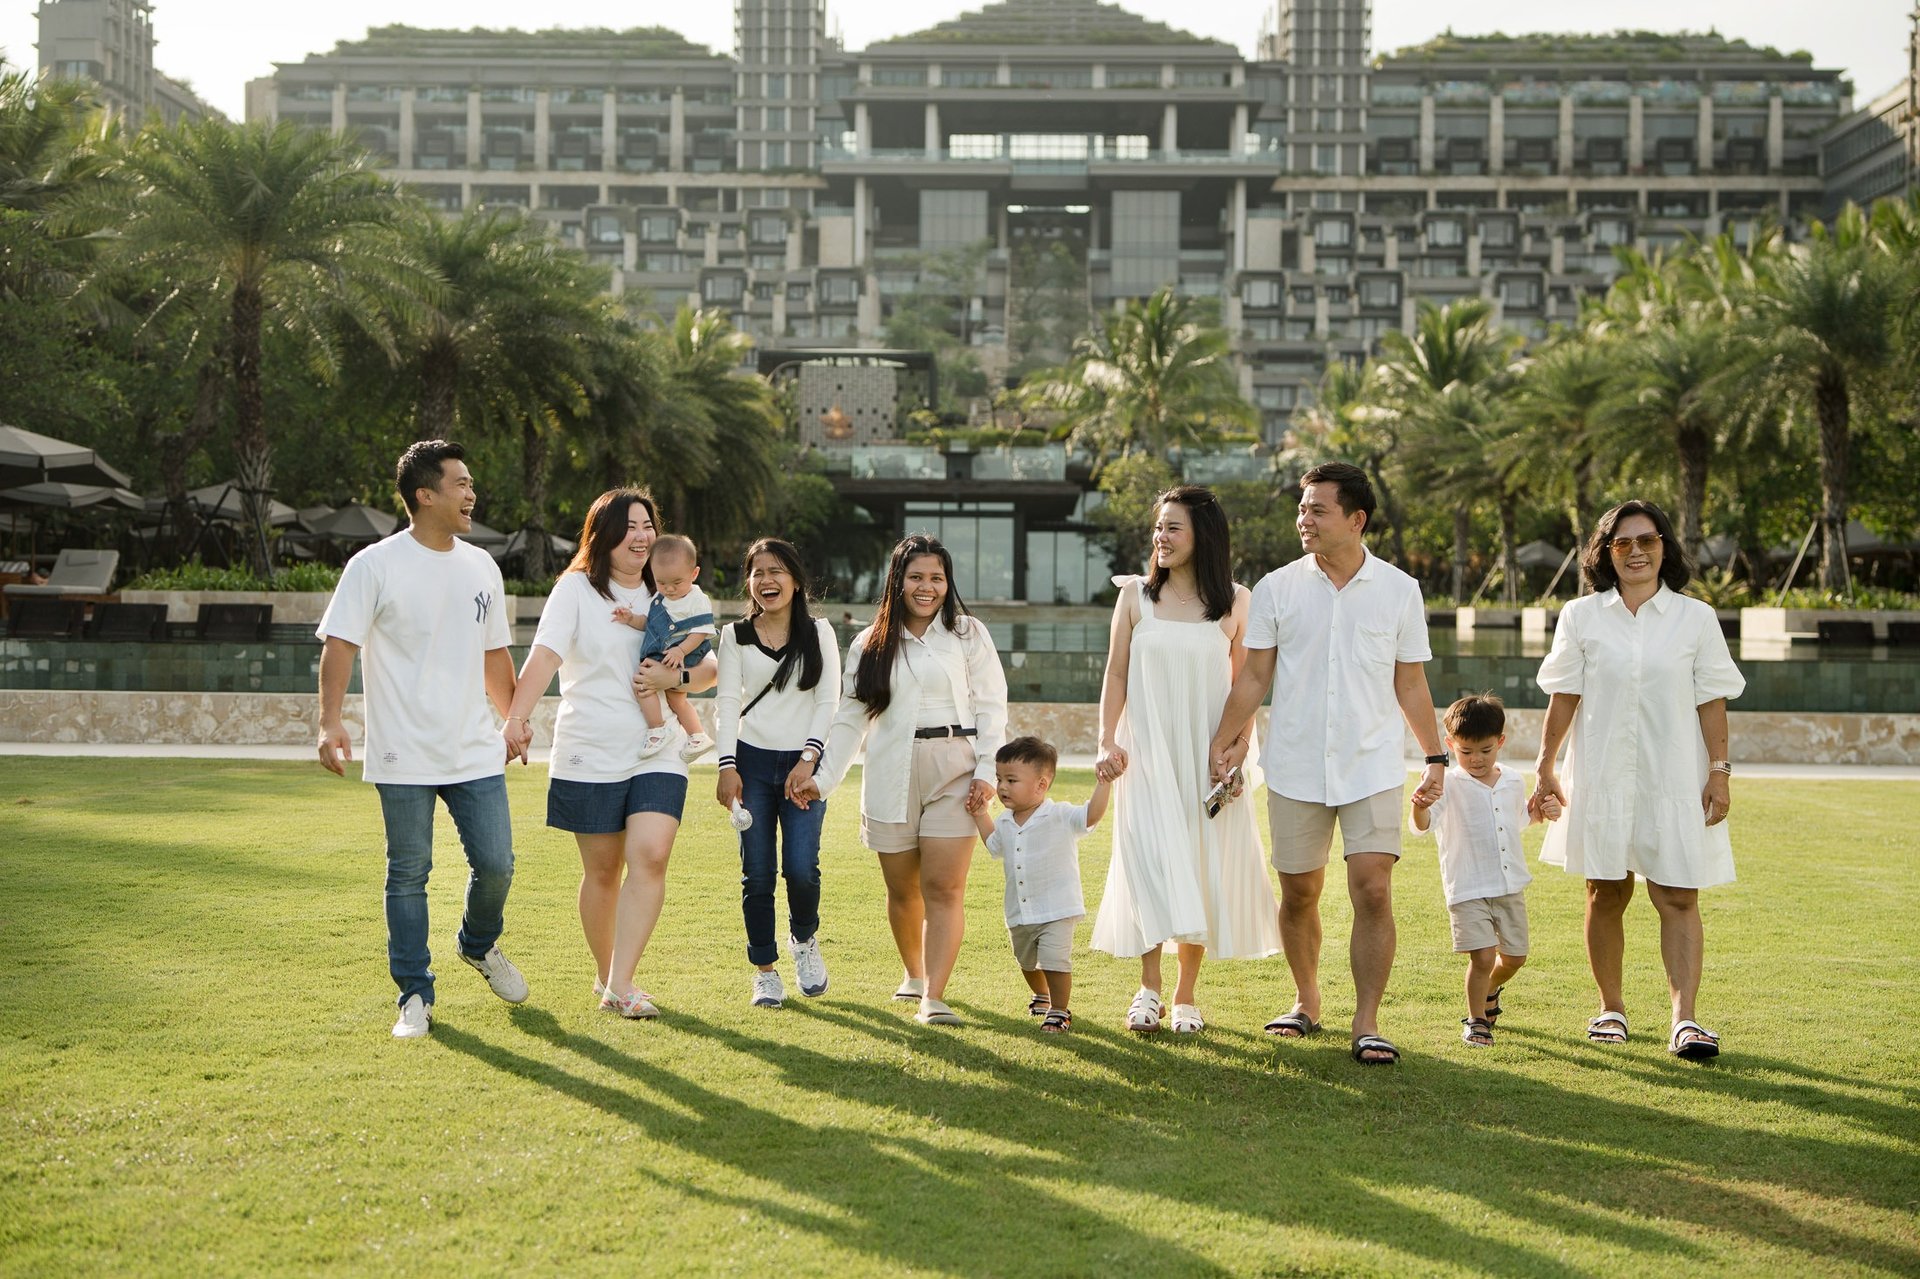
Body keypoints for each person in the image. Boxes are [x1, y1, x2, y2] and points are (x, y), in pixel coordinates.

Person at [1209, 461, 1448, 1066]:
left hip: (1370, 766)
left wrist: (1436, 756)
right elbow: (1255, 675)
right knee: (1299, 893)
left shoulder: (1400, 590)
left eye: (1317, 509)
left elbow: (1412, 684)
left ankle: (1366, 1022)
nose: (1304, 518)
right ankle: (1306, 998)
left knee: (1372, 888)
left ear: (1356, 519)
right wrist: (1224, 738)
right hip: (1294, 766)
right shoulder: (1276, 588)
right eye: (1302, 508)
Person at [316, 439, 528, 1040]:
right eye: (460, 483)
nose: (471, 493)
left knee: (497, 864)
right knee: (408, 873)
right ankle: (414, 994)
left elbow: (494, 656)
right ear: (424, 495)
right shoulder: (374, 565)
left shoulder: (481, 565)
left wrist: (512, 718)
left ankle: (478, 945)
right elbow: (340, 645)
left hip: (472, 747)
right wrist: (330, 722)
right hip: (401, 749)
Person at [1530, 499, 1744, 1061]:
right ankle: (1611, 1010)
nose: (1636, 552)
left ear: (1665, 547)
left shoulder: (1695, 618)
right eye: (1622, 543)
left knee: (1677, 893)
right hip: (1600, 773)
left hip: (1674, 773)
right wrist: (1545, 765)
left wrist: (1719, 773)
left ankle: (1686, 1021)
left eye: (1647, 540)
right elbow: (1564, 695)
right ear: (1605, 553)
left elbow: (1712, 700)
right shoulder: (1580, 617)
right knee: (1606, 891)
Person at [500, 488, 717, 1019]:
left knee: (651, 854)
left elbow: (710, 669)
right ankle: (606, 975)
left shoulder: (674, 590)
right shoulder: (575, 590)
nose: (642, 536)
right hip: (590, 746)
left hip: (657, 744)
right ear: (604, 535)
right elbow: (545, 655)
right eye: (630, 526)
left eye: (648, 524)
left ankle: (623, 982)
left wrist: (676, 676)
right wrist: (516, 718)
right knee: (602, 871)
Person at [1090, 484, 1280, 1035]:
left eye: (1174, 527)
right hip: (1145, 754)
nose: (1161, 537)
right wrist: (1107, 740)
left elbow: (1247, 685)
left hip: (1206, 756)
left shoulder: (1237, 603)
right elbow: (1117, 673)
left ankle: (1185, 997)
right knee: (1148, 861)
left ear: (1204, 536)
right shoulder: (1134, 597)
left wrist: (1239, 752)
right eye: (1159, 527)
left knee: (1200, 863)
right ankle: (1147, 989)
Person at [798, 534, 1008, 1027]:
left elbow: (992, 706)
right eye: (916, 577)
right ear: (897, 580)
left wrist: (986, 770)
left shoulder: (968, 634)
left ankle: (934, 996)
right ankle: (913, 975)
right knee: (902, 890)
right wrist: (822, 779)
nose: (927, 587)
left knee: (943, 887)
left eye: (937, 578)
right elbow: (850, 719)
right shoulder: (870, 642)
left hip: (954, 768)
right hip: (890, 770)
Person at [713, 537, 840, 1009]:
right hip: (751, 763)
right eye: (758, 573)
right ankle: (765, 972)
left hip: (805, 766)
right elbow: (726, 705)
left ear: (796, 579)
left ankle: (804, 942)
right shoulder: (734, 636)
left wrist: (809, 760)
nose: (767, 581)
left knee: (802, 869)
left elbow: (829, 700)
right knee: (758, 874)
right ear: (749, 582)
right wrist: (727, 767)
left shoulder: (820, 632)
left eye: (777, 571)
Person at [1410, 694, 1558, 1047]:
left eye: (1485, 751)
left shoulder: (1512, 780)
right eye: (1465, 751)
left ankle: (1490, 990)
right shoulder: (1448, 784)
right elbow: (1423, 825)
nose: (1475, 759)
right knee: (1482, 956)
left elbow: (1517, 821)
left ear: (1500, 742)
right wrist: (1419, 805)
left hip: (1509, 886)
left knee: (1515, 957)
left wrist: (1542, 812)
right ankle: (1476, 1020)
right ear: (1450, 745)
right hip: (1468, 887)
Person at [972, 736, 1110, 1035]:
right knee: (1025, 960)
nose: (1003, 787)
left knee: (1054, 959)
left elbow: (1091, 815)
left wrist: (1104, 783)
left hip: (1057, 908)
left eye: (1011, 780)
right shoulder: (1005, 822)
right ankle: (1042, 995)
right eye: (999, 779)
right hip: (1019, 911)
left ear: (1041, 785)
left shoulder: (1059, 814)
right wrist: (981, 814)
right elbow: (994, 846)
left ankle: (1059, 1009)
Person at [613, 533, 716, 762]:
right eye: (662, 583)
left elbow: (701, 632)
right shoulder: (659, 600)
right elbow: (650, 625)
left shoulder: (696, 598)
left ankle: (658, 728)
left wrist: (681, 651)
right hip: (668, 652)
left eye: (677, 583)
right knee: (675, 698)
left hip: (686, 651)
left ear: (694, 574)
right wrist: (631, 619)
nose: (669, 589)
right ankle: (697, 735)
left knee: (643, 682)